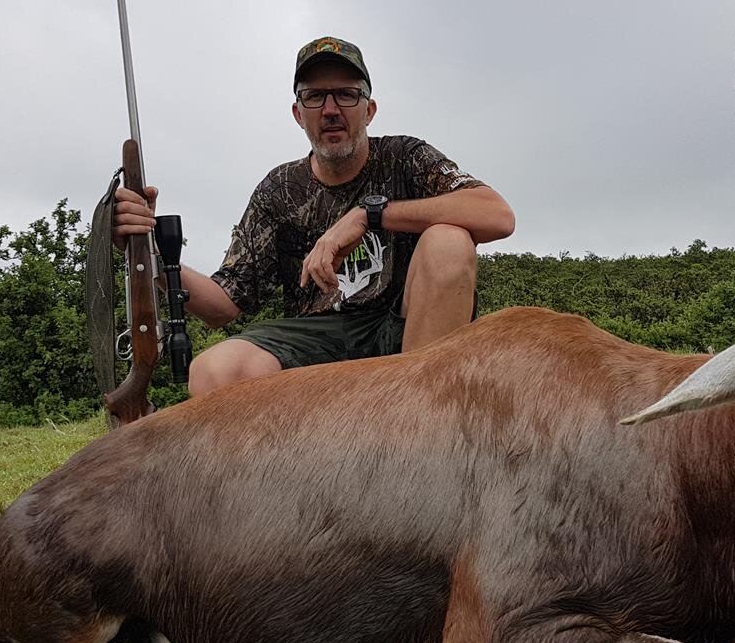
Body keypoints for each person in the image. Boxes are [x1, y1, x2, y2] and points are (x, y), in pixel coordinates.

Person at [112, 36, 515, 397]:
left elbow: (496, 214)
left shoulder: (405, 157)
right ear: (297, 112)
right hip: (314, 339)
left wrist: (368, 216)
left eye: (346, 95)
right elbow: (224, 305)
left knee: (448, 240)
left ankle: (424, 422)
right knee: (216, 370)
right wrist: (148, 254)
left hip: (404, 331)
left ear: (369, 109)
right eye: (315, 97)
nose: (331, 110)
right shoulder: (279, 188)